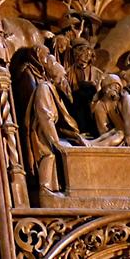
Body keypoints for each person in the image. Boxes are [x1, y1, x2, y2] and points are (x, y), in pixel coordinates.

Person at [26, 50, 85, 192]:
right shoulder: (44, 88)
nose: (66, 79)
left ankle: (52, 188)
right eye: (63, 75)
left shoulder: (52, 90)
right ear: (55, 75)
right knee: (49, 155)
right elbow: (45, 117)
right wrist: (56, 142)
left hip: (48, 133)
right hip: (42, 135)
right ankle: (45, 189)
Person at [90, 74, 130, 146]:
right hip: (118, 135)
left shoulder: (125, 97)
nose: (116, 88)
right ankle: (91, 144)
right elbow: (103, 129)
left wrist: (129, 134)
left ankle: (92, 145)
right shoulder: (101, 105)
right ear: (105, 89)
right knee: (119, 134)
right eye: (113, 85)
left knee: (121, 135)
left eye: (118, 86)